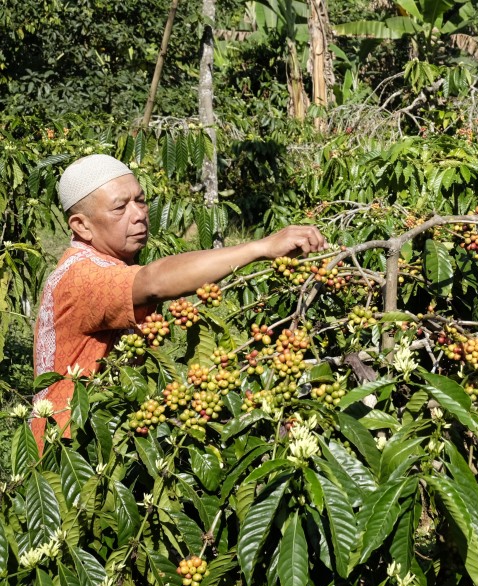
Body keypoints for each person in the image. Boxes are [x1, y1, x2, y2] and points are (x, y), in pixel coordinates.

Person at [32, 154, 326, 451]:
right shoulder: (82, 277)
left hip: (107, 435)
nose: (139, 214)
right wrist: (260, 248)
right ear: (82, 226)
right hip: (70, 449)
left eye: (141, 201)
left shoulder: (110, 263)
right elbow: (154, 282)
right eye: (120, 207)